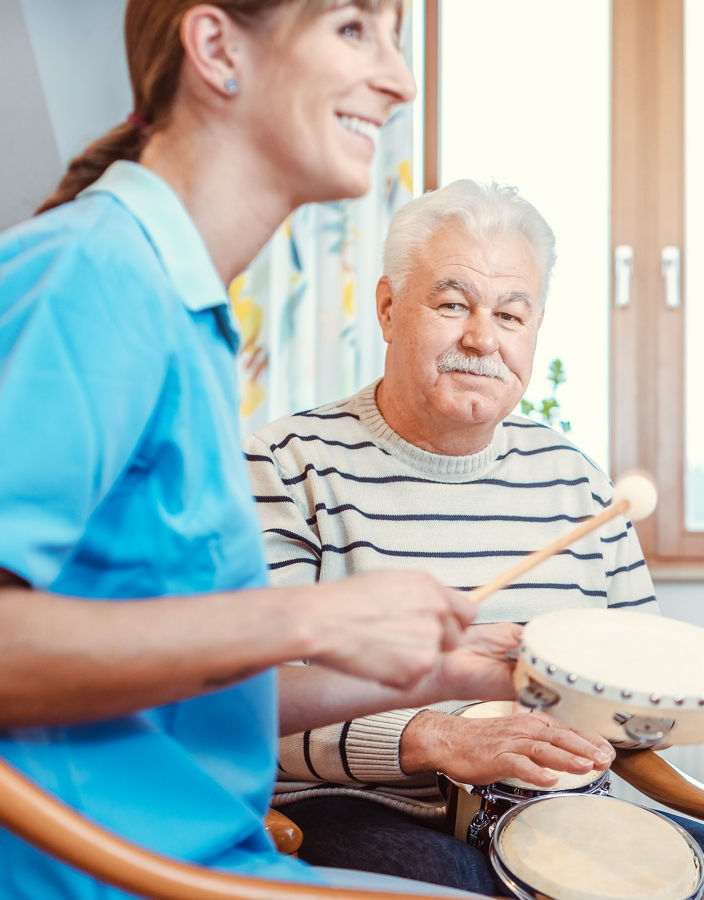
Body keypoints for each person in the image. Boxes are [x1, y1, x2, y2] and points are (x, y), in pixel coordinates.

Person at [0, 2, 504, 897]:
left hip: (215, 860)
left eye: (396, 37)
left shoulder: (182, 310)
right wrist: (312, 618)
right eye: (354, 29)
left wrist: (437, 672)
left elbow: (183, 688)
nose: (400, 78)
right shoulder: (96, 277)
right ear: (217, 47)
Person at [246, 178, 704, 899]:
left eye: (510, 314)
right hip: (366, 806)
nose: (481, 338)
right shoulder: (284, 466)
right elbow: (248, 707)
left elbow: (636, 695)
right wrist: (436, 738)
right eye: (453, 303)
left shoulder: (582, 486)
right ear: (388, 308)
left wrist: (676, 706)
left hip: (560, 813)